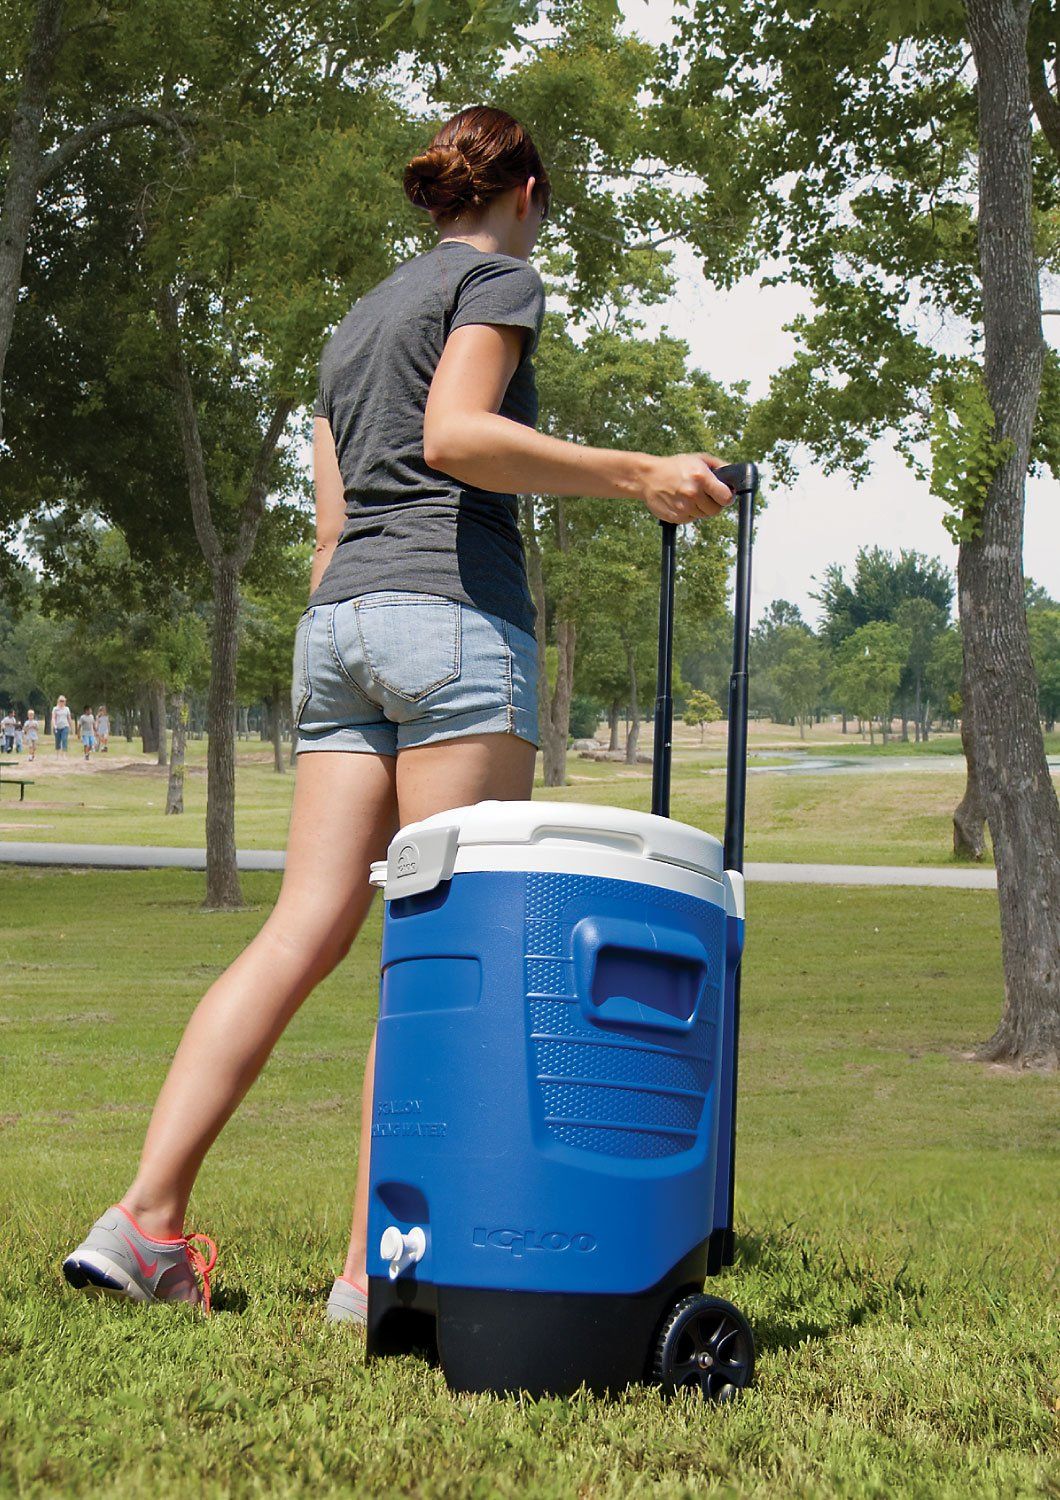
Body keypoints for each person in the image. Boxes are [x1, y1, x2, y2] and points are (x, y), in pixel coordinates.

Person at [62, 105, 734, 1317]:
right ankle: (375, 1269)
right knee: (434, 955)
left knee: (298, 932)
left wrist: (364, 628)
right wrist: (639, 473)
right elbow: (459, 436)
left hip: (344, 628)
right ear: (522, 193)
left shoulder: (355, 325)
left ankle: (144, 1225)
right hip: (453, 621)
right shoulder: (502, 282)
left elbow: (331, 532)